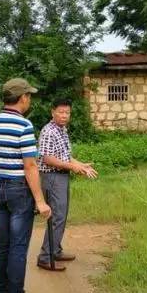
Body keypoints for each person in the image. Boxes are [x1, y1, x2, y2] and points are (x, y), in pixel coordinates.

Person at [0, 78, 52, 293]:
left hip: (0, 187)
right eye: (29, 95)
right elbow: (30, 165)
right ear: (22, 98)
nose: (29, 99)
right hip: (19, 191)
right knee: (18, 246)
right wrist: (40, 201)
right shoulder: (24, 125)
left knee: (2, 243)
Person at [36, 98, 97, 271]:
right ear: (52, 112)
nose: (64, 116)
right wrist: (73, 167)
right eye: (61, 112)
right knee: (56, 217)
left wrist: (80, 164)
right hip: (52, 177)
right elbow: (47, 159)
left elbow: (65, 156)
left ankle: (55, 250)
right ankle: (45, 257)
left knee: (61, 215)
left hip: (61, 176)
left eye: (67, 112)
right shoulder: (49, 131)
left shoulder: (61, 130)